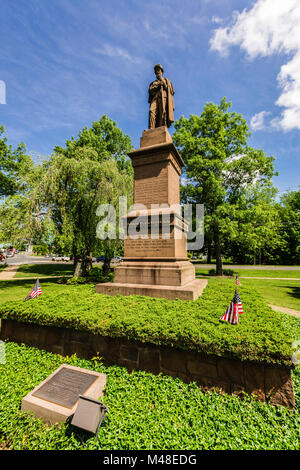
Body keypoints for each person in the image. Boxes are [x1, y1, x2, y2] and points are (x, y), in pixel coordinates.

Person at [148, 64, 174, 129]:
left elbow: (171, 91)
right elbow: (150, 90)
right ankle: (151, 128)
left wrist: (163, 82)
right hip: (155, 98)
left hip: (164, 98)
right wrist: (158, 85)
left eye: (158, 70)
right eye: (156, 71)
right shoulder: (153, 83)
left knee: (162, 113)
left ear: (161, 71)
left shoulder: (166, 80)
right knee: (151, 111)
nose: (157, 72)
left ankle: (162, 128)